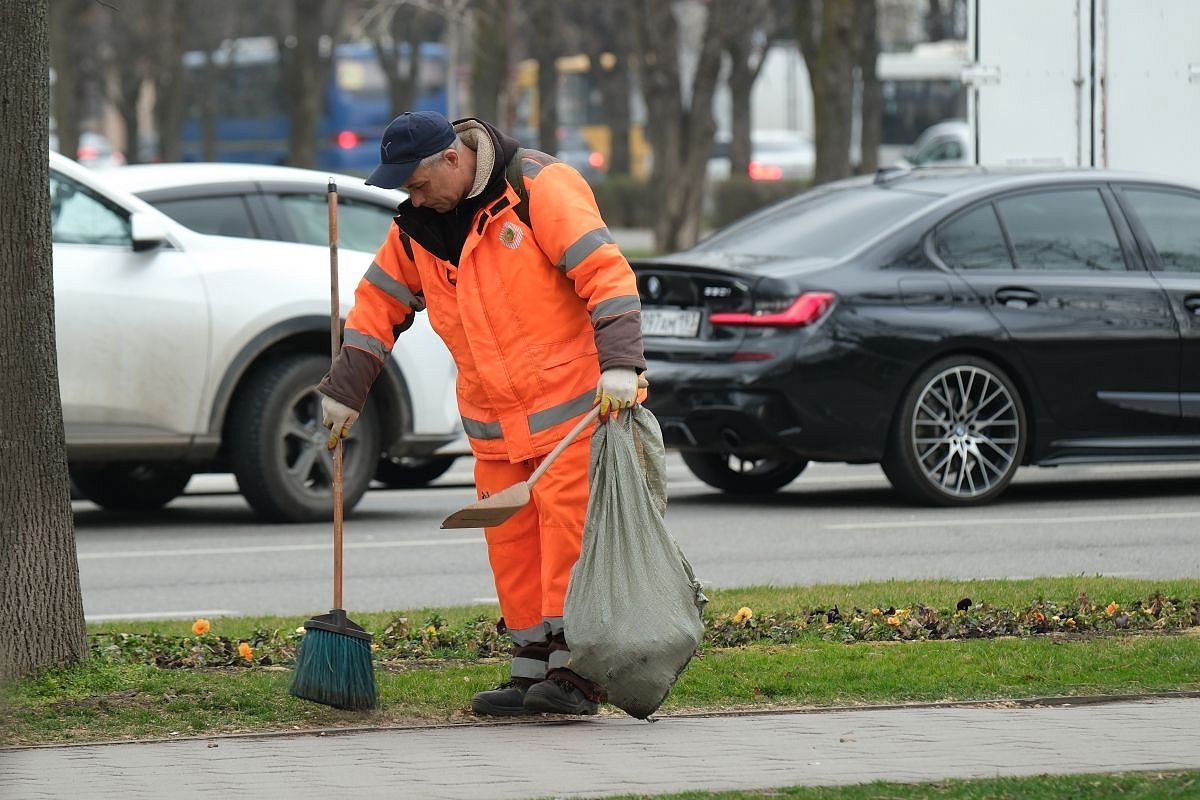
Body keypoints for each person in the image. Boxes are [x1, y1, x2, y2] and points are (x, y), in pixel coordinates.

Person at [317, 111, 646, 716]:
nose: (410, 197)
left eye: (415, 183)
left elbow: (607, 274)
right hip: (495, 423)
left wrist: (621, 364)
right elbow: (377, 306)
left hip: (573, 411)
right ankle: (530, 671)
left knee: (567, 541)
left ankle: (577, 675)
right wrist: (345, 390)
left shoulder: (538, 188)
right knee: (511, 545)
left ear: (452, 158)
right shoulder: (419, 225)